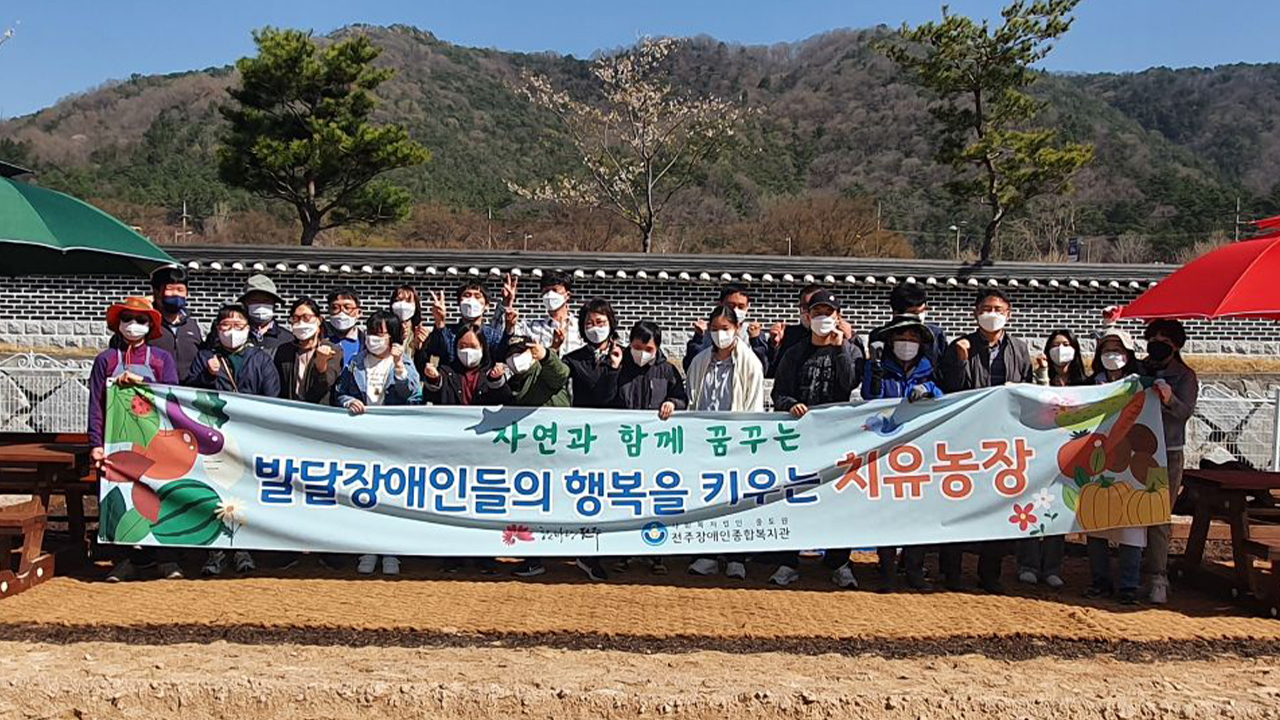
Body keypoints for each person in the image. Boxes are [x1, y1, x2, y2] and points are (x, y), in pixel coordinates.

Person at [938, 288, 1035, 593]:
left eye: (998, 308)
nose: (991, 313)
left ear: (1009, 314)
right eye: (986, 308)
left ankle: (990, 573)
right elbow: (949, 390)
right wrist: (961, 361)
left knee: (997, 505)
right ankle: (951, 571)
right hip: (966, 438)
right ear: (975, 313)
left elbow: (1028, 389)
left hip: (1004, 439)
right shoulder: (959, 346)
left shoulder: (1019, 349)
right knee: (958, 502)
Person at [769, 290, 863, 588]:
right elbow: (778, 393)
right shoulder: (794, 352)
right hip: (800, 440)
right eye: (817, 313)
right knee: (794, 496)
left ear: (839, 317)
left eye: (829, 313)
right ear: (808, 317)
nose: (823, 319)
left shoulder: (851, 351)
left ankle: (839, 561)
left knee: (839, 500)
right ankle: (787, 561)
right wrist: (789, 405)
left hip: (836, 439)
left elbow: (850, 385)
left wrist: (839, 349)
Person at [89, 297, 182, 582]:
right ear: (117, 324)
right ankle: (123, 560)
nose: (133, 325)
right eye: (127, 319)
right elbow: (96, 404)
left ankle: (166, 559)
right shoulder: (105, 360)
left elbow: (173, 397)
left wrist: (146, 385)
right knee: (119, 500)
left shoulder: (160, 359)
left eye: (141, 321)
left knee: (160, 497)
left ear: (150, 326)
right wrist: (95, 443)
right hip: (116, 444)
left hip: (155, 441)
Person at [186, 303, 281, 577]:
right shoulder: (206, 357)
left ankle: (244, 550)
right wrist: (207, 374)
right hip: (213, 437)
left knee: (244, 493)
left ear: (249, 329)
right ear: (217, 329)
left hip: (248, 438)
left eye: (239, 326)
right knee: (215, 492)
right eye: (226, 326)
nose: (232, 331)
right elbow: (187, 392)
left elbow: (271, 398)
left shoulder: (260, 359)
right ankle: (215, 552)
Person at [596, 320, 688, 576]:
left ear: (656, 347)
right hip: (622, 448)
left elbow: (682, 398)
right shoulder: (618, 365)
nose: (641, 352)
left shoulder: (668, 371)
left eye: (647, 348)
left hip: (655, 450)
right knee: (625, 499)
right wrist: (613, 370)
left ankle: (655, 553)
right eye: (636, 346)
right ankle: (622, 553)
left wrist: (673, 403)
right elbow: (603, 399)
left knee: (654, 500)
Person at [333, 310, 422, 576]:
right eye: (371, 332)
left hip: (393, 439)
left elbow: (412, 396)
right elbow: (340, 392)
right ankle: (367, 548)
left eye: (381, 333)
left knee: (390, 493)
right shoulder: (355, 363)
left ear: (393, 338)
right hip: (362, 438)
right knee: (365, 492)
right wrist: (348, 401)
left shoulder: (404, 362)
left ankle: (391, 551)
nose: (375, 338)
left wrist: (398, 367)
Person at [861, 315, 944, 591]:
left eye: (912, 340)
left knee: (917, 510)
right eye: (901, 339)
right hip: (884, 448)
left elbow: (945, 398)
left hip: (918, 451)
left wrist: (931, 391)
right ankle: (885, 569)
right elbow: (868, 396)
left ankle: (914, 568)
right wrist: (873, 364)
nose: (906, 344)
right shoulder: (879, 367)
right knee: (887, 510)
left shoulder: (929, 371)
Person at [420, 324, 512, 575]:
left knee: (484, 502)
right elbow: (434, 396)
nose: (467, 351)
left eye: (473, 346)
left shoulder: (491, 371)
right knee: (454, 501)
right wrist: (433, 380)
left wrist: (496, 381)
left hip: (486, 452)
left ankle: (484, 555)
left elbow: (505, 400)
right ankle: (453, 555)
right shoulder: (447, 372)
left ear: (484, 348)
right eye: (462, 346)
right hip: (453, 451)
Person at [499, 334, 589, 579]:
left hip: (560, 448)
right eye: (511, 354)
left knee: (570, 502)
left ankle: (584, 554)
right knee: (537, 505)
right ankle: (535, 557)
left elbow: (561, 373)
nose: (516, 359)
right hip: (533, 454)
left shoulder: (541, 371)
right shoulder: (513, 379)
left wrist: (547, 355)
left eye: (521, 351)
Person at [685, 305, 765, 579]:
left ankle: (735, 557)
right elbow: (693, 398)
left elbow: (754, 404)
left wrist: (745, 439)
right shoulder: (699, 362)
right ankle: (706, 553)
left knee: (735, 498)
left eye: (726, 329)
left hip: (737, 442)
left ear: (737, 329)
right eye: (715, 329)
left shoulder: (750, 363)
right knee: (706, 496)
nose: (720, 335)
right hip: (705, 440)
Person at [1018, 329, 1089, 590]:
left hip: (1071, 453)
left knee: (1059, 509)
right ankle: (1028, 564)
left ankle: (1052, 567)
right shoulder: (1036, 378)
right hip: (1037, 451)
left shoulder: (1086, 383)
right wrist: (1042, 376)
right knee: (1029, 507)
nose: (1061, 349)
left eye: (1066, 344)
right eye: (1056, 345)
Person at [1084, 323, 1145, 605]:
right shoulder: (1088, 386)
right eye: (1107, 350)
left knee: (1133, 521)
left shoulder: (1142, 383)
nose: (1112, 355)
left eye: (1118, 350)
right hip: (1096, 457)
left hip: (1132, 460)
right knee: (1095, 521)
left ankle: (1129, 584)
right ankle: (1100, 580)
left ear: (1129, 353)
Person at [1141, 319, 1198, 605]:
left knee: (1159, 515)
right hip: (1136, 451)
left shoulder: (1185, 375)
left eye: (1165, 339)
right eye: (1153, 338)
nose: (1157, 343)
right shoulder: (1139, 369)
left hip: (1169, 452)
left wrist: (1168, 398)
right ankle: (1130, 571)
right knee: (1131, 510)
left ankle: (1158, 576)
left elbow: (1185, 412)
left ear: (1176, 345)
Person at [684, 284, 771, 374]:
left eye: (741, 307)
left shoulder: (753, 334)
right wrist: (698, 338)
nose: (735, 310)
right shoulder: (707, 333)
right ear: (721, 304)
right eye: (730, 306)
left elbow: (762, 370)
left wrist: (755, 340)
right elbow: (690, 367)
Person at [275, 298, 344, 405]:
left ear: (319, 320)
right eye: (296, 318)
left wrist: (321, 364)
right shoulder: (284, 351)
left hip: (318, 413)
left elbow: (323, 387)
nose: (301, 323)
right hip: (289, 411)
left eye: (306, 318)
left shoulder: (333, 350)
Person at [423, 281, 508, 366]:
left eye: (477, 296)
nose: (471, 300)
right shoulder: (448, 331)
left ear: (487, 305)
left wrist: (508, 304)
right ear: (459, 303)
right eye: (467, 295)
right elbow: (436, 352)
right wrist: (440, 323)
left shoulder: (492, 335)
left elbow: (502, 353)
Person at [563, 298, 621, 408]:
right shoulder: (573, 360)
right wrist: (554, 349)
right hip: (583, 422)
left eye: (600, 322)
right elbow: (556, 379)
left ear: (610, 322)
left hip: (619, 423)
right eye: (589, 324)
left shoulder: (625, 355)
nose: (595, 328)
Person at [147, 265, 204, 377]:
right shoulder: (145, 321)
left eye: (180, 290)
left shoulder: (191, 324)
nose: (175, 294)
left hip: (188, 390)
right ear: (157, 292)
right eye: (170, 289)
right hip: (156, 388)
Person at [515, 271, 584, 355]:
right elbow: (508, 335)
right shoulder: (530, 327)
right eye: (546, 291)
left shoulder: (581, 327)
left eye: (555, 290)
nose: (550, 295)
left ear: (567, 295)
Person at [767, 283, 824, 378]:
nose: (809, 312)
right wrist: (775, 346)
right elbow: (773, 372)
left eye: (814, 306)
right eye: (805, 307)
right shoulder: (789, 334)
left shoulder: (836, 336)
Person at [888, 283, 949, 368]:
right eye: (914, 313)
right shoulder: (882, 335)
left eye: (923, 311)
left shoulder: (936, 335)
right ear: (896, 313)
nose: (920, 316)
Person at [239, 274, 292, 354]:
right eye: (254, 300)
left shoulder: (288, 339)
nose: (260, 305)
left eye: (266, 301)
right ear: (245, 304)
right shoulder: (234, 336)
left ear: (274, 304)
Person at [389, 284, 432, 372]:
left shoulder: (421, 333)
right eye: (398, 300)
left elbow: (424, 367)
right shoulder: (385, 331)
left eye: (408, 301)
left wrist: (420, 348)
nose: (402, 305)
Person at [326, 286, 365, 362]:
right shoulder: (319, 337)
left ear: (359, 312)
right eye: (335, 308)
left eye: (347, 308)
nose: (341, 313)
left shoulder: (365, 340)